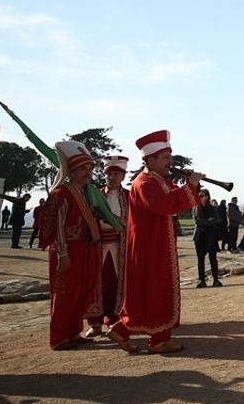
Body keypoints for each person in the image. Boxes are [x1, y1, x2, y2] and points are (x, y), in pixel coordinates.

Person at [106, 130, 202, 355]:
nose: (170, 162)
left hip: (157, 244)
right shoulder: (145, 183)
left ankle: (129, 331)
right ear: (150, 159)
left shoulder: (157, 180)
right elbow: (165, 205)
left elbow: (171, 199)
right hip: (149, 248)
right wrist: (190, 187)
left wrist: (188, 184)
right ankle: (154, 338)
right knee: (154, 290)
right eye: (165, 158)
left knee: (152, 291)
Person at [40, 141, 102, 350]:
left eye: (89, 168)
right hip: (69, 250)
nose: (87, 172)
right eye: (81, 169)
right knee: (65, 293)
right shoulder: (61, 193)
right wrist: (63, 254)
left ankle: (73, 331)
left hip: (86, 248)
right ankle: (58, 337)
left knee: (82, 292)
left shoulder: (84, 192)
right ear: (71, 171)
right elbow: (57, 225)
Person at [86, 154, 129, 337]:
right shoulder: (94, 195)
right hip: (98, 245)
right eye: (108, 175)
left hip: (121, 247)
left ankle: (116, 321)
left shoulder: (129, 196)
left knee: (118, 284)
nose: (111, 178)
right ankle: (95, 323)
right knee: (96, 284)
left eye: (116, 175)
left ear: (123, 177)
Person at [193, 190, 222, 288]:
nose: (200, 197)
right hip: (199, 236)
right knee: (200, 259)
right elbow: (197, 221)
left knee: (213, 259)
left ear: (207, 196)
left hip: (211, 235)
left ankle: (216, 280)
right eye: (199, 195)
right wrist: (208, 221)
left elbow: (216, 220)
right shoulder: (196, 208)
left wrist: (205, 221)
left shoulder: (213, 208)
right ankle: (202, 280)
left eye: (202, 195)